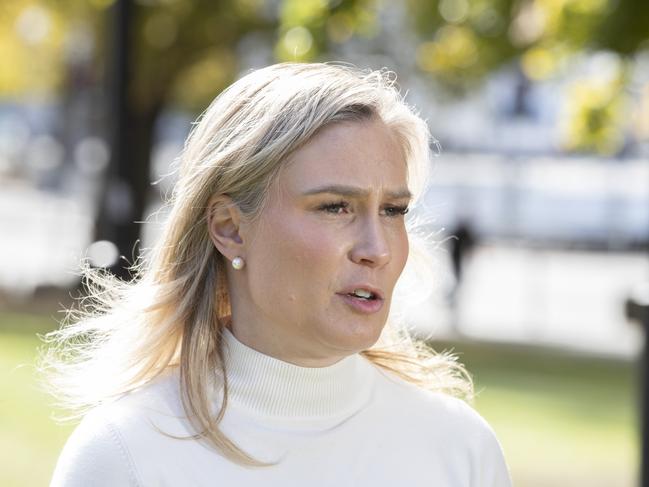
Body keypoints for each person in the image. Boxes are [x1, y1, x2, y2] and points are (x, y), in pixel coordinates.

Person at [45, 63, 512, 486]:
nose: (378, 249)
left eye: (392, 210)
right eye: (335, 207)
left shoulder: (460, 451)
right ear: (229, 229)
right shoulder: (125, 455)